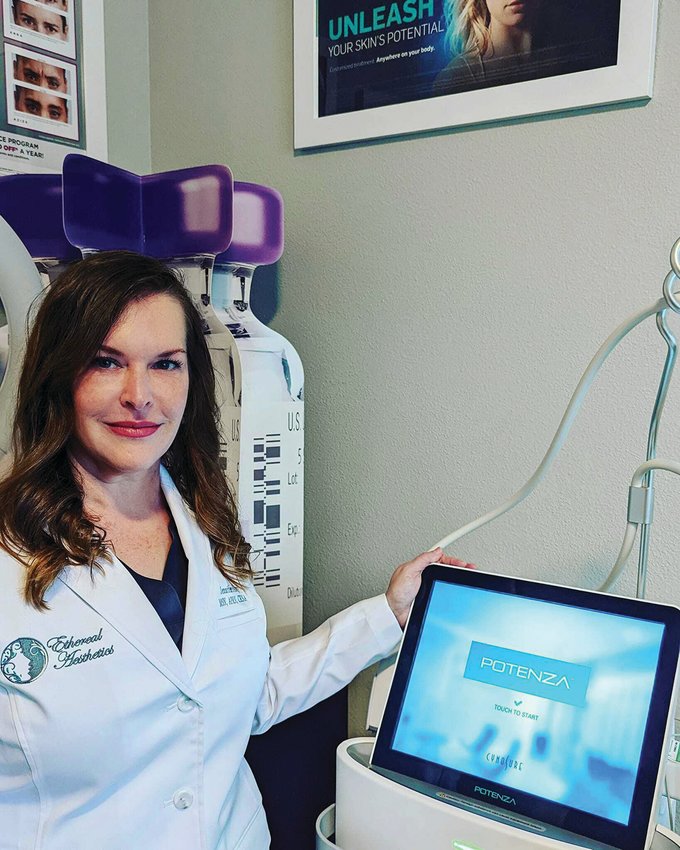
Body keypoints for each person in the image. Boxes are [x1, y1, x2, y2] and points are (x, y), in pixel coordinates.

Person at [0, 251, 471, 849]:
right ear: (57, 376)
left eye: (165, 364)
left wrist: (388, 615)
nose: (139, 395)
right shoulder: (9, 554)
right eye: (105, 362)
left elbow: (240, 695)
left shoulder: (204, 520)